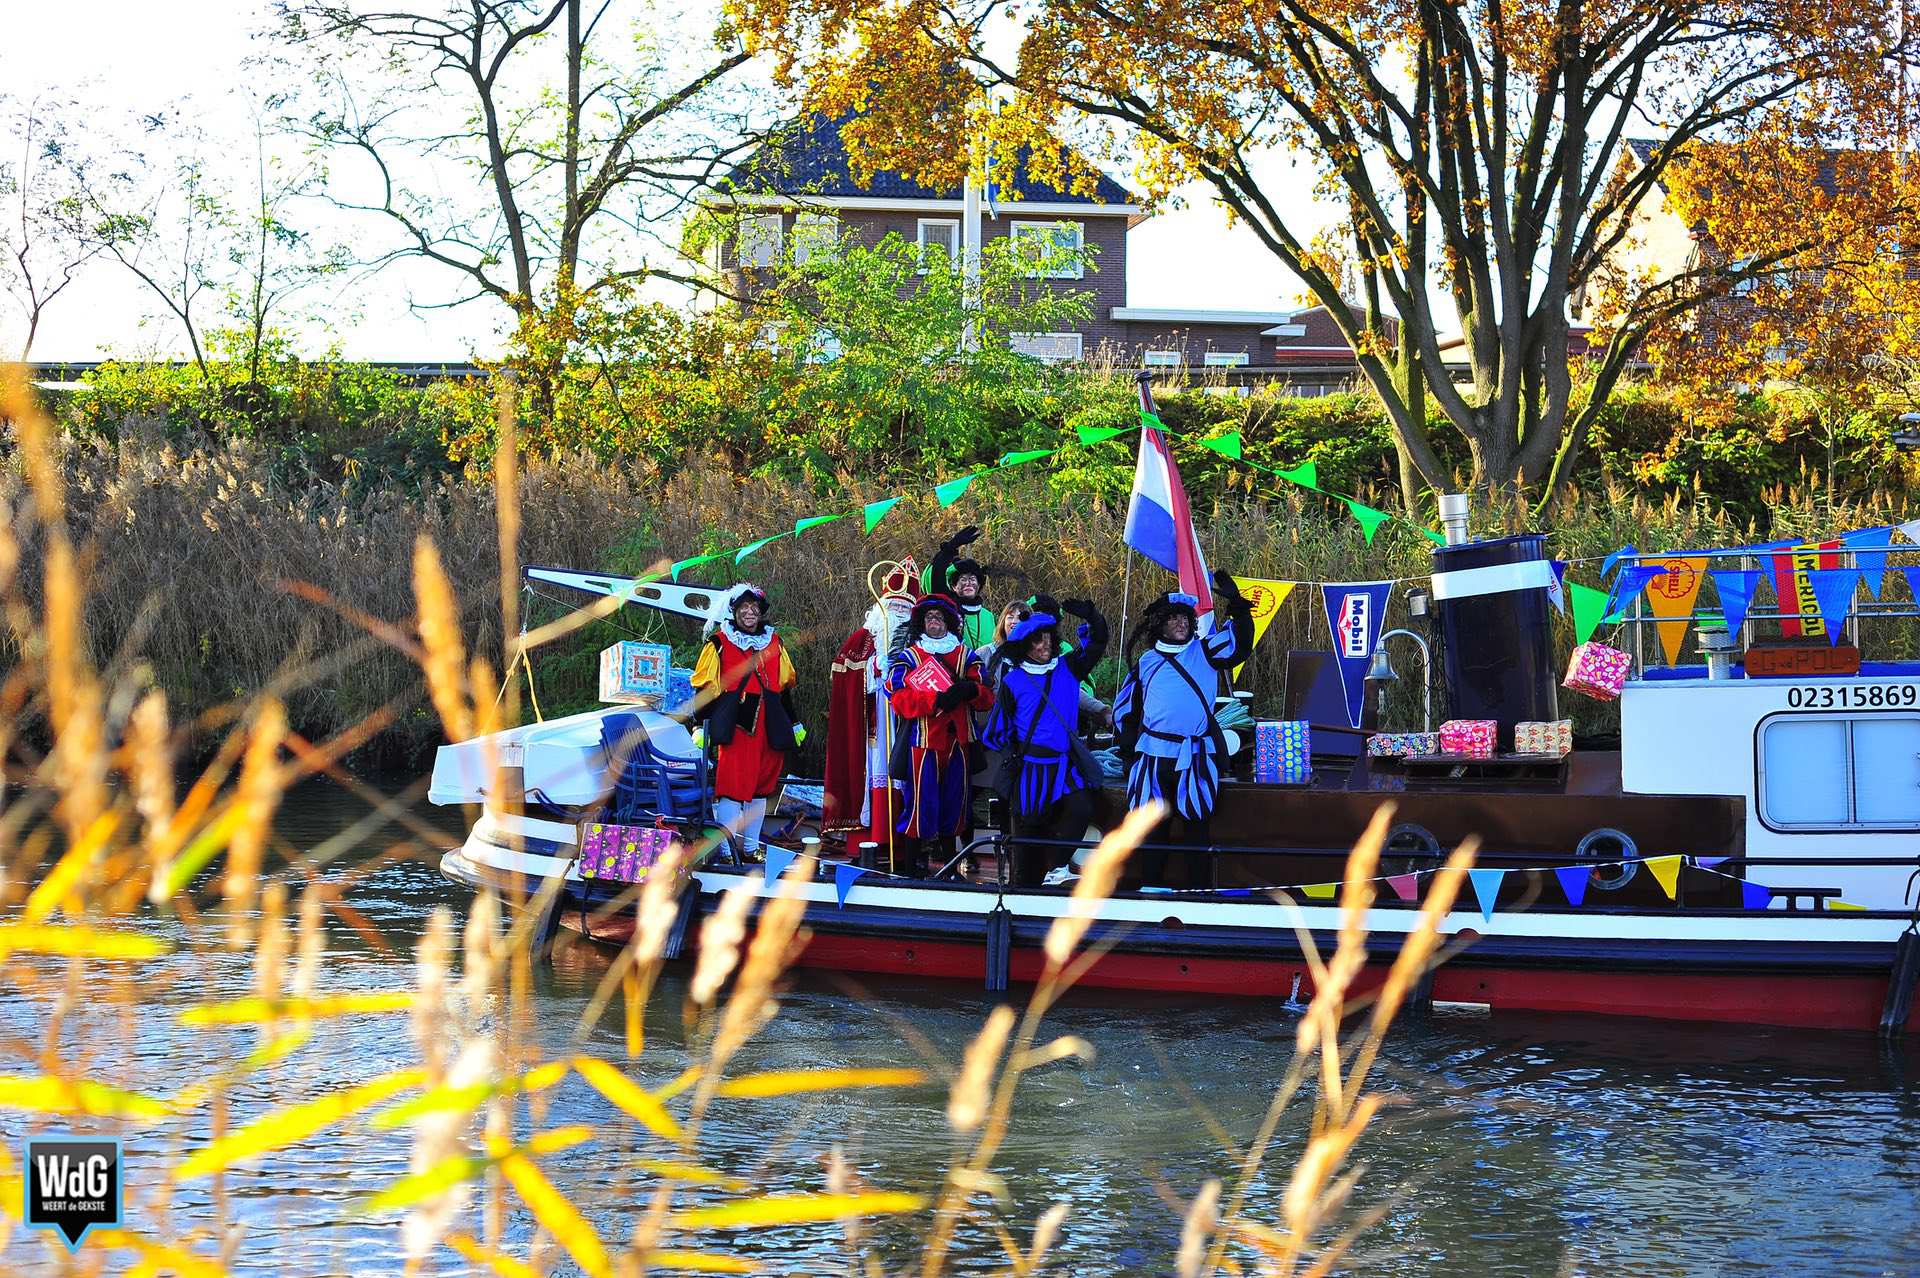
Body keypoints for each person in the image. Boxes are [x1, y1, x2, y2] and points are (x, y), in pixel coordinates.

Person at [1113, 572, 1254, 885]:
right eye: (1173, 618)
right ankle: (1151, 888)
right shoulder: (1146, 662)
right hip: (1152, 756)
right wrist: (1126, 754)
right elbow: (1126, 710)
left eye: (1186, 619)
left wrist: (1237, 607)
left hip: (1195, 756)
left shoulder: (1205, 651)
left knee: (1196, 825)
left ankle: (1199, 891)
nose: (1181, 624)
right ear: (1159, 624)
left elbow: (1241, 643)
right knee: (1153, 827)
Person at [982, 599, 1109, 887]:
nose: (1045, 646)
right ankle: (1025, 891)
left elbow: (1098, 642)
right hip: (1031, 767)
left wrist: (1092, 615)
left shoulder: (1068, 668)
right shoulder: (1013, 681)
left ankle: (1059, 868)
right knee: (1031, 832)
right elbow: (998, 730)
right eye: (1037, 641)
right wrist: (1014, 754)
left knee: (1082, 808)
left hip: (1065, 763)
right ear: (1025, 645)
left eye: (1049, 639)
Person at [886, 593, 995, 876]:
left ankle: (949, 867)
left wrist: (970, 690)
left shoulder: (964, 654)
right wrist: (934, 700)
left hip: (959, 742)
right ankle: (910, 870)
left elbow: (986, 697)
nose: (934, 622)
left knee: (955, 805)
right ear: (921, 623)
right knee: (920, 804)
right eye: (929, 617)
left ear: (949, 622)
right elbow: (897, 697)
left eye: (940, 617)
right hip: (923, 743)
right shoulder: (909, 656)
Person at [691, 583, 802, 860]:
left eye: (754, 608)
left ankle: (751, 849)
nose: (749, 612)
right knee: (732, 787)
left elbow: (783, 687)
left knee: (761, 786)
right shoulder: (719, 642)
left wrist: (795, 723)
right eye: (744, 608)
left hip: (771, 724)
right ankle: (727, 850)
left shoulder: (774, 642)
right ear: (735, 612)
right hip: (737, 725)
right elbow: (706, 688)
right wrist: (699, 724)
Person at [823, 559, 919, 856]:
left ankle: (904, 842)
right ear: (880, 608)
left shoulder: (921, 640)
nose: (898, 614)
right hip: (874, 723)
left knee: (907, 775)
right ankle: (872, 837)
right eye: (893, 607)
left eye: (904, 610)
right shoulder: (861, 641)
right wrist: (875, 669)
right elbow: (844, 679)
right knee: (878, 772)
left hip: (907, 721)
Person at [929, 525, 998, 651]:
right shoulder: (948, 610)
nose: (968, 583)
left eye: (972, 579)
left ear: (979, 586)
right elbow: (936, 577)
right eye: (963, 579)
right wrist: (951, 547)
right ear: (954, 587)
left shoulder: (989, 616)